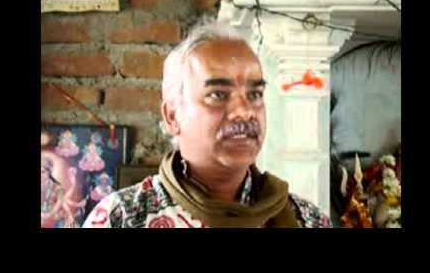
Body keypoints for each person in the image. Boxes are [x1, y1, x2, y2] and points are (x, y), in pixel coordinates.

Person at [83, 20, 332, 228]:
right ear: (172, 116)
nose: (244, 112)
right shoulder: (123, 217)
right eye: (218, 95)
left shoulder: (307, 220)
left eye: (254, 95)